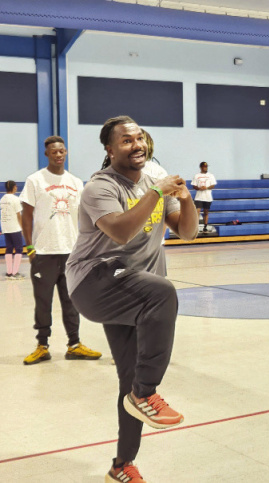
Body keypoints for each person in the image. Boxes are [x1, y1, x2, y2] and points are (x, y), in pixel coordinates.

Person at [66, 115, 199, 483]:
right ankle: (147, 392)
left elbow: (187, 233)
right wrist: (156, 192)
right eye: (126, 141)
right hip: (94, 282)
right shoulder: (99, 187)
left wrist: (185, 199)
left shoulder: (156, 175)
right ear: (109, 150)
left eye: (139, 138)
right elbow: (122, 232)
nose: (136, 145)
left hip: (132, 290)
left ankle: (121, 465)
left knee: (129, 385)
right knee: (164, 292)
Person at [20, 136, 102, 365]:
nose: (58, 155)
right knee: (43, 302)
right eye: (54, 152)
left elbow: (85, 216)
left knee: (71, 301)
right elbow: (25, 214)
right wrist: (30, 247)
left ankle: (74, 345)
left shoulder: (76, 182)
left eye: (62, 151)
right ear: (46, 154)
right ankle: (42, 345)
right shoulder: (35, 180)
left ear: (66, 153)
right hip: (44, 253)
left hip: (71, 252)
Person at [1, 180, 24, 280]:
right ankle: (15, 273)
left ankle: (9, 272)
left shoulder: (2, 199)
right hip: (15, 227)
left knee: (9, 248)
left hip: (6, 227)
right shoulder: (15, 199)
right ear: (14, 187)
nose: (16, 188)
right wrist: (22, 228)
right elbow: (18, 215)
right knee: (19, 248)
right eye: (16, 187)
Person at [192, 161, 217, 232]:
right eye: (204, 167)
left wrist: (206, 187)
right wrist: (199, 188)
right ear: (201, 167)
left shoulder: (211, 175)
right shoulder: (196, 176)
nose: (205, 168)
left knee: (206, 212)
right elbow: (194, 185)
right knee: (197, 211)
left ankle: (205, 226)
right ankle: (195, 227)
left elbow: (213, 185)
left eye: (206, 167)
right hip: (199, 197)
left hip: (207, 197)